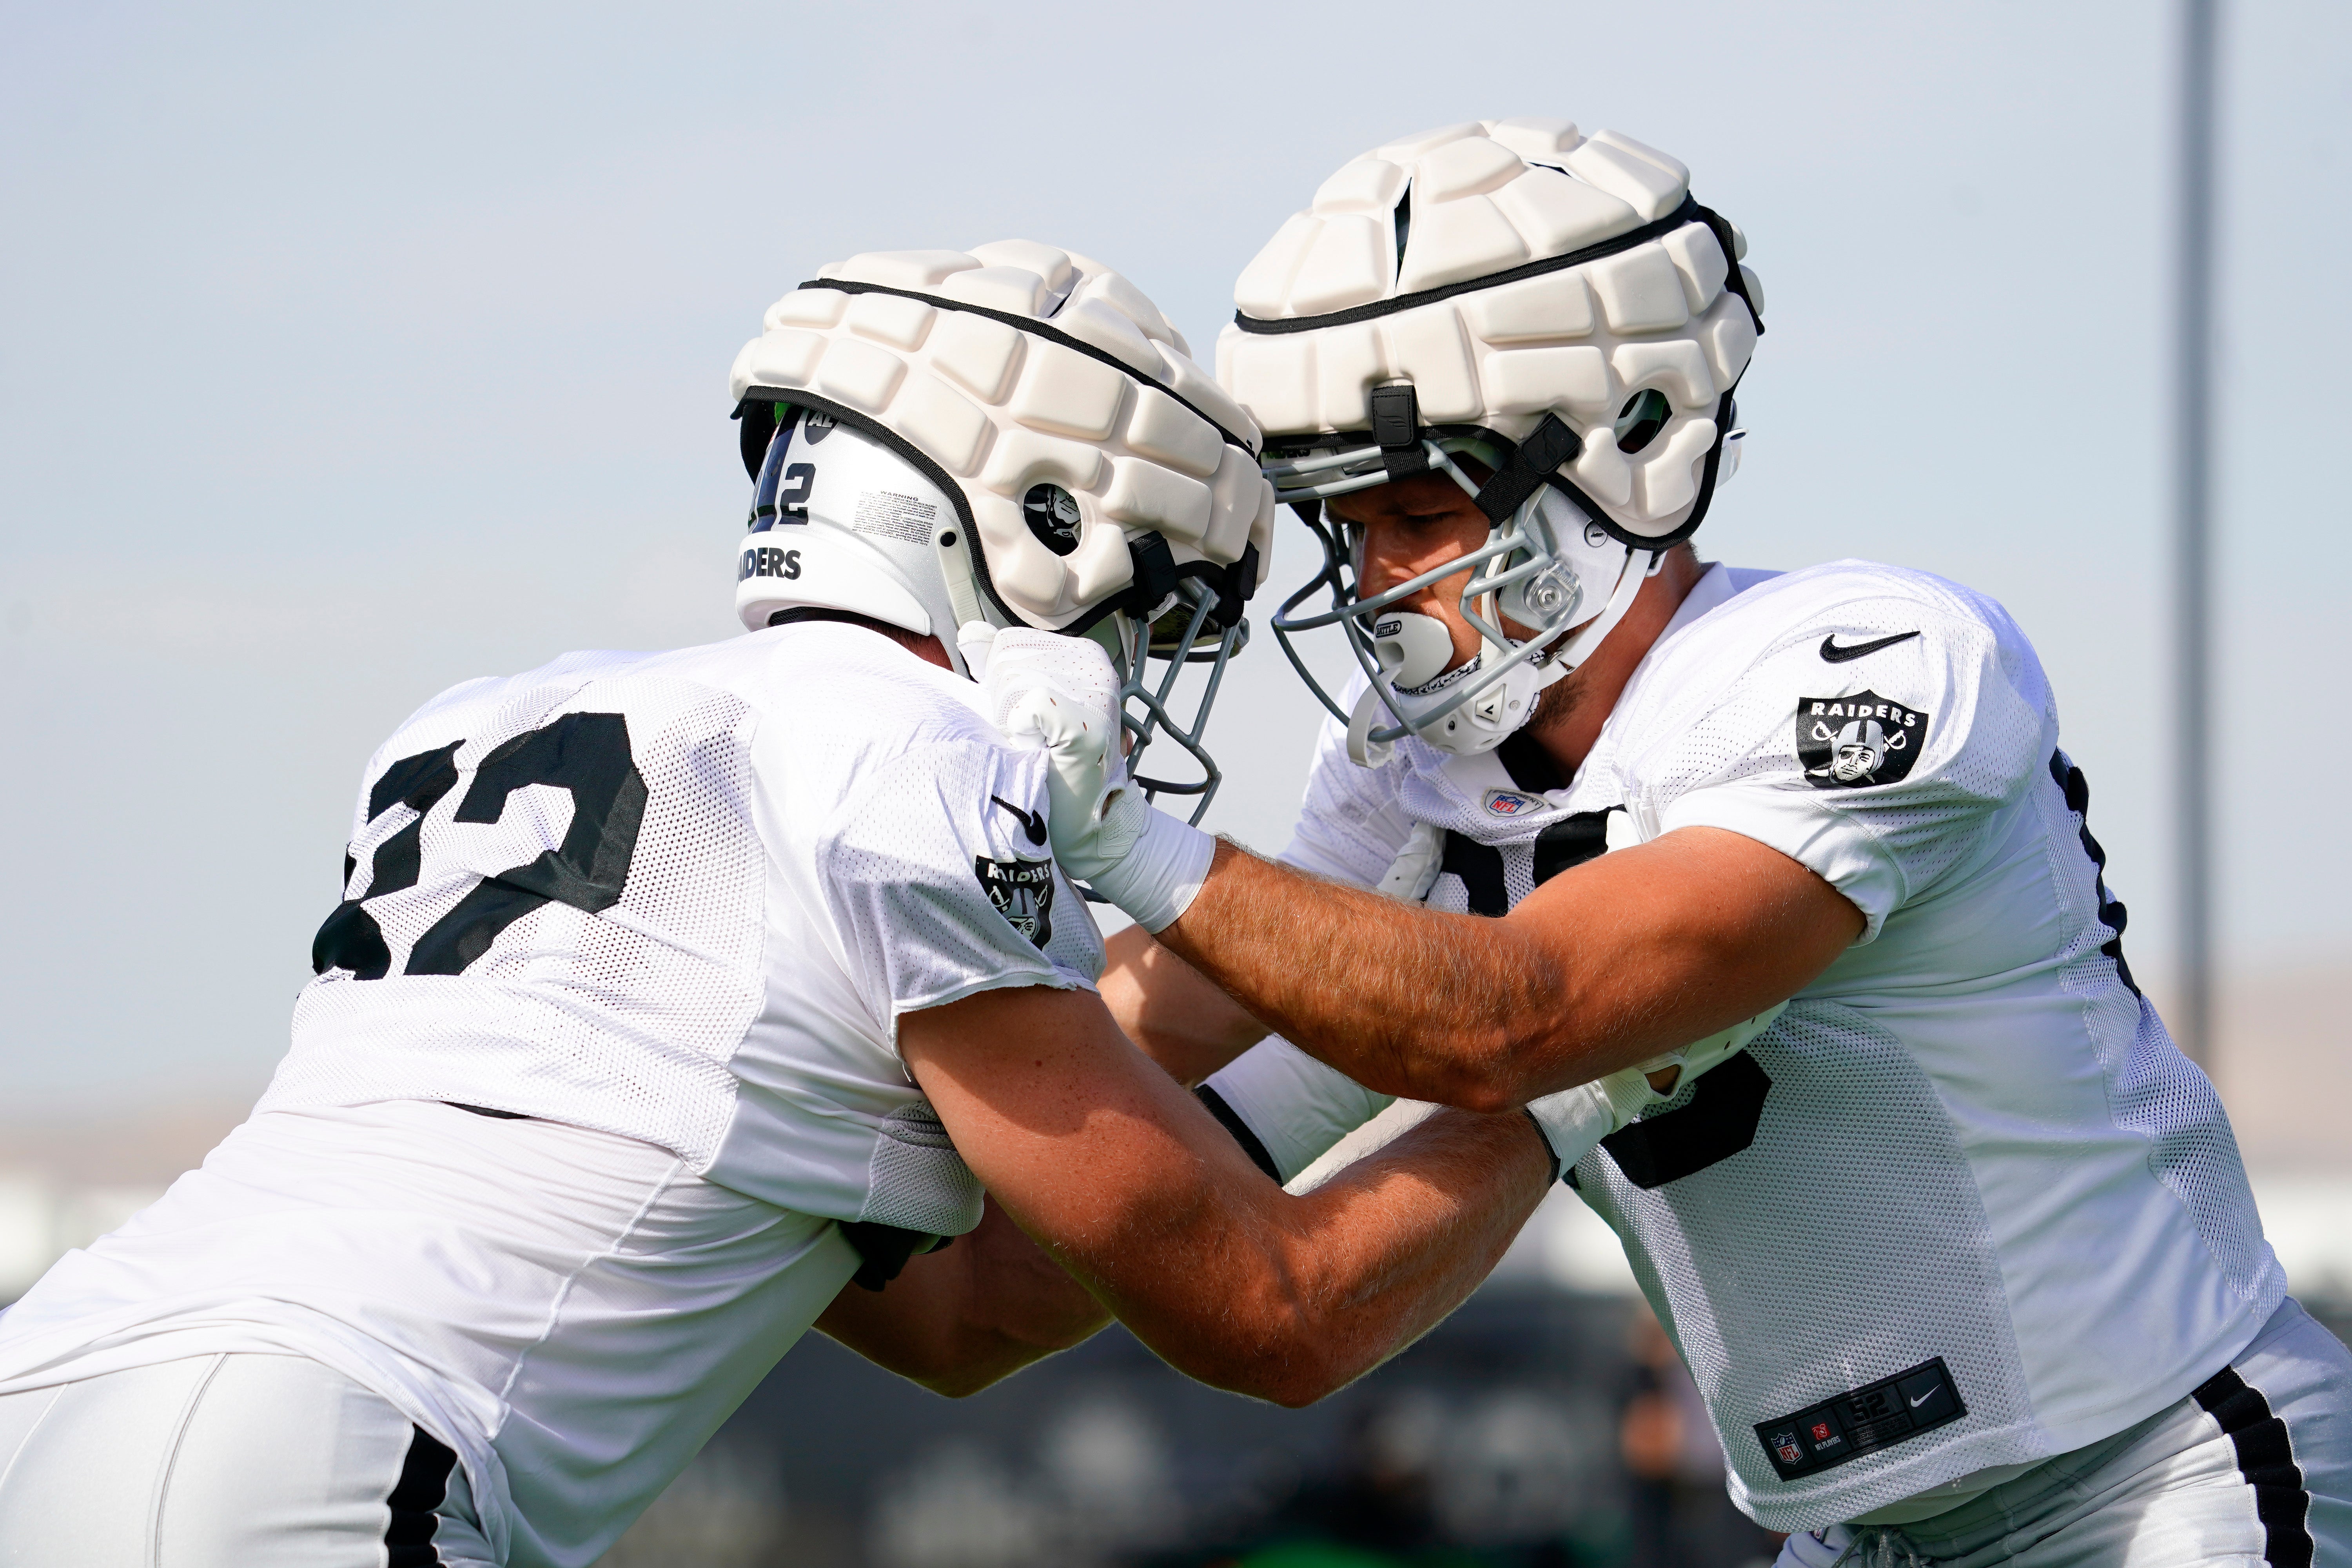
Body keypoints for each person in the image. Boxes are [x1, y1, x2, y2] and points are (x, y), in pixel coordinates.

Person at [0, 239, 1689, 1568]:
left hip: (65, 1391)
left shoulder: (516, 713)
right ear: (1036, 520)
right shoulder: (910, 752)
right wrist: (1574, 1086)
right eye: (1151, 606)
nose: (1143, 671)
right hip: (311, 1458)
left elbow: (962, 1313)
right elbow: (1275, 1310)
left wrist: (1311, 947)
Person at [991, 120, 2352, 1564]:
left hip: (2151, 1478)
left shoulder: (1868, 665)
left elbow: (1518, 1017)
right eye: (1348, 525)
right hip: (1855, 1531)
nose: (1382, 578)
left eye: (1422, 507)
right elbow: (1171, 1039)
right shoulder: (1416, 775)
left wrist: (1132, 837)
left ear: (1635, 443)